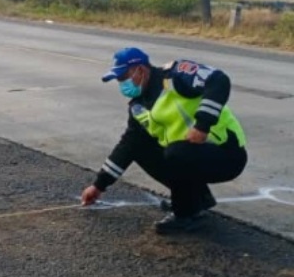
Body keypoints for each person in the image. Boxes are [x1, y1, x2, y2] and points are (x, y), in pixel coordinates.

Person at [80, 47, 248, 234]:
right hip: (190, 155)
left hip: (227, 153)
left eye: (123, 77)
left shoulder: (175, 76)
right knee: (139, 145)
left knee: (176, 153)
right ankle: (197, 198)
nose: (122, 84)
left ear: (141, 70)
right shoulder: (138, 105)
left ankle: (186, 214)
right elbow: (127, 146)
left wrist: (202, 126)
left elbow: (218, 80)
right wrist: (98, 186)